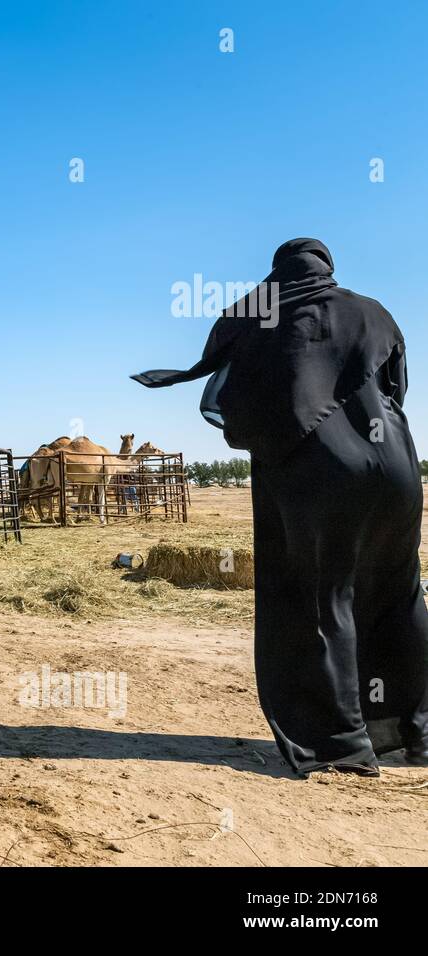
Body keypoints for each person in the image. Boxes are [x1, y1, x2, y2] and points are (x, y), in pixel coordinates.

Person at [134, 238, 428, 776]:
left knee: (318, 597)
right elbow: (396, 390)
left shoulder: (258, 315)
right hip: (398, 471)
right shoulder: (373, 312)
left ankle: (339, 744)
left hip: (319, 474)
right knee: (397, 593)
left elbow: (235, 390)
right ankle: (408, 736)